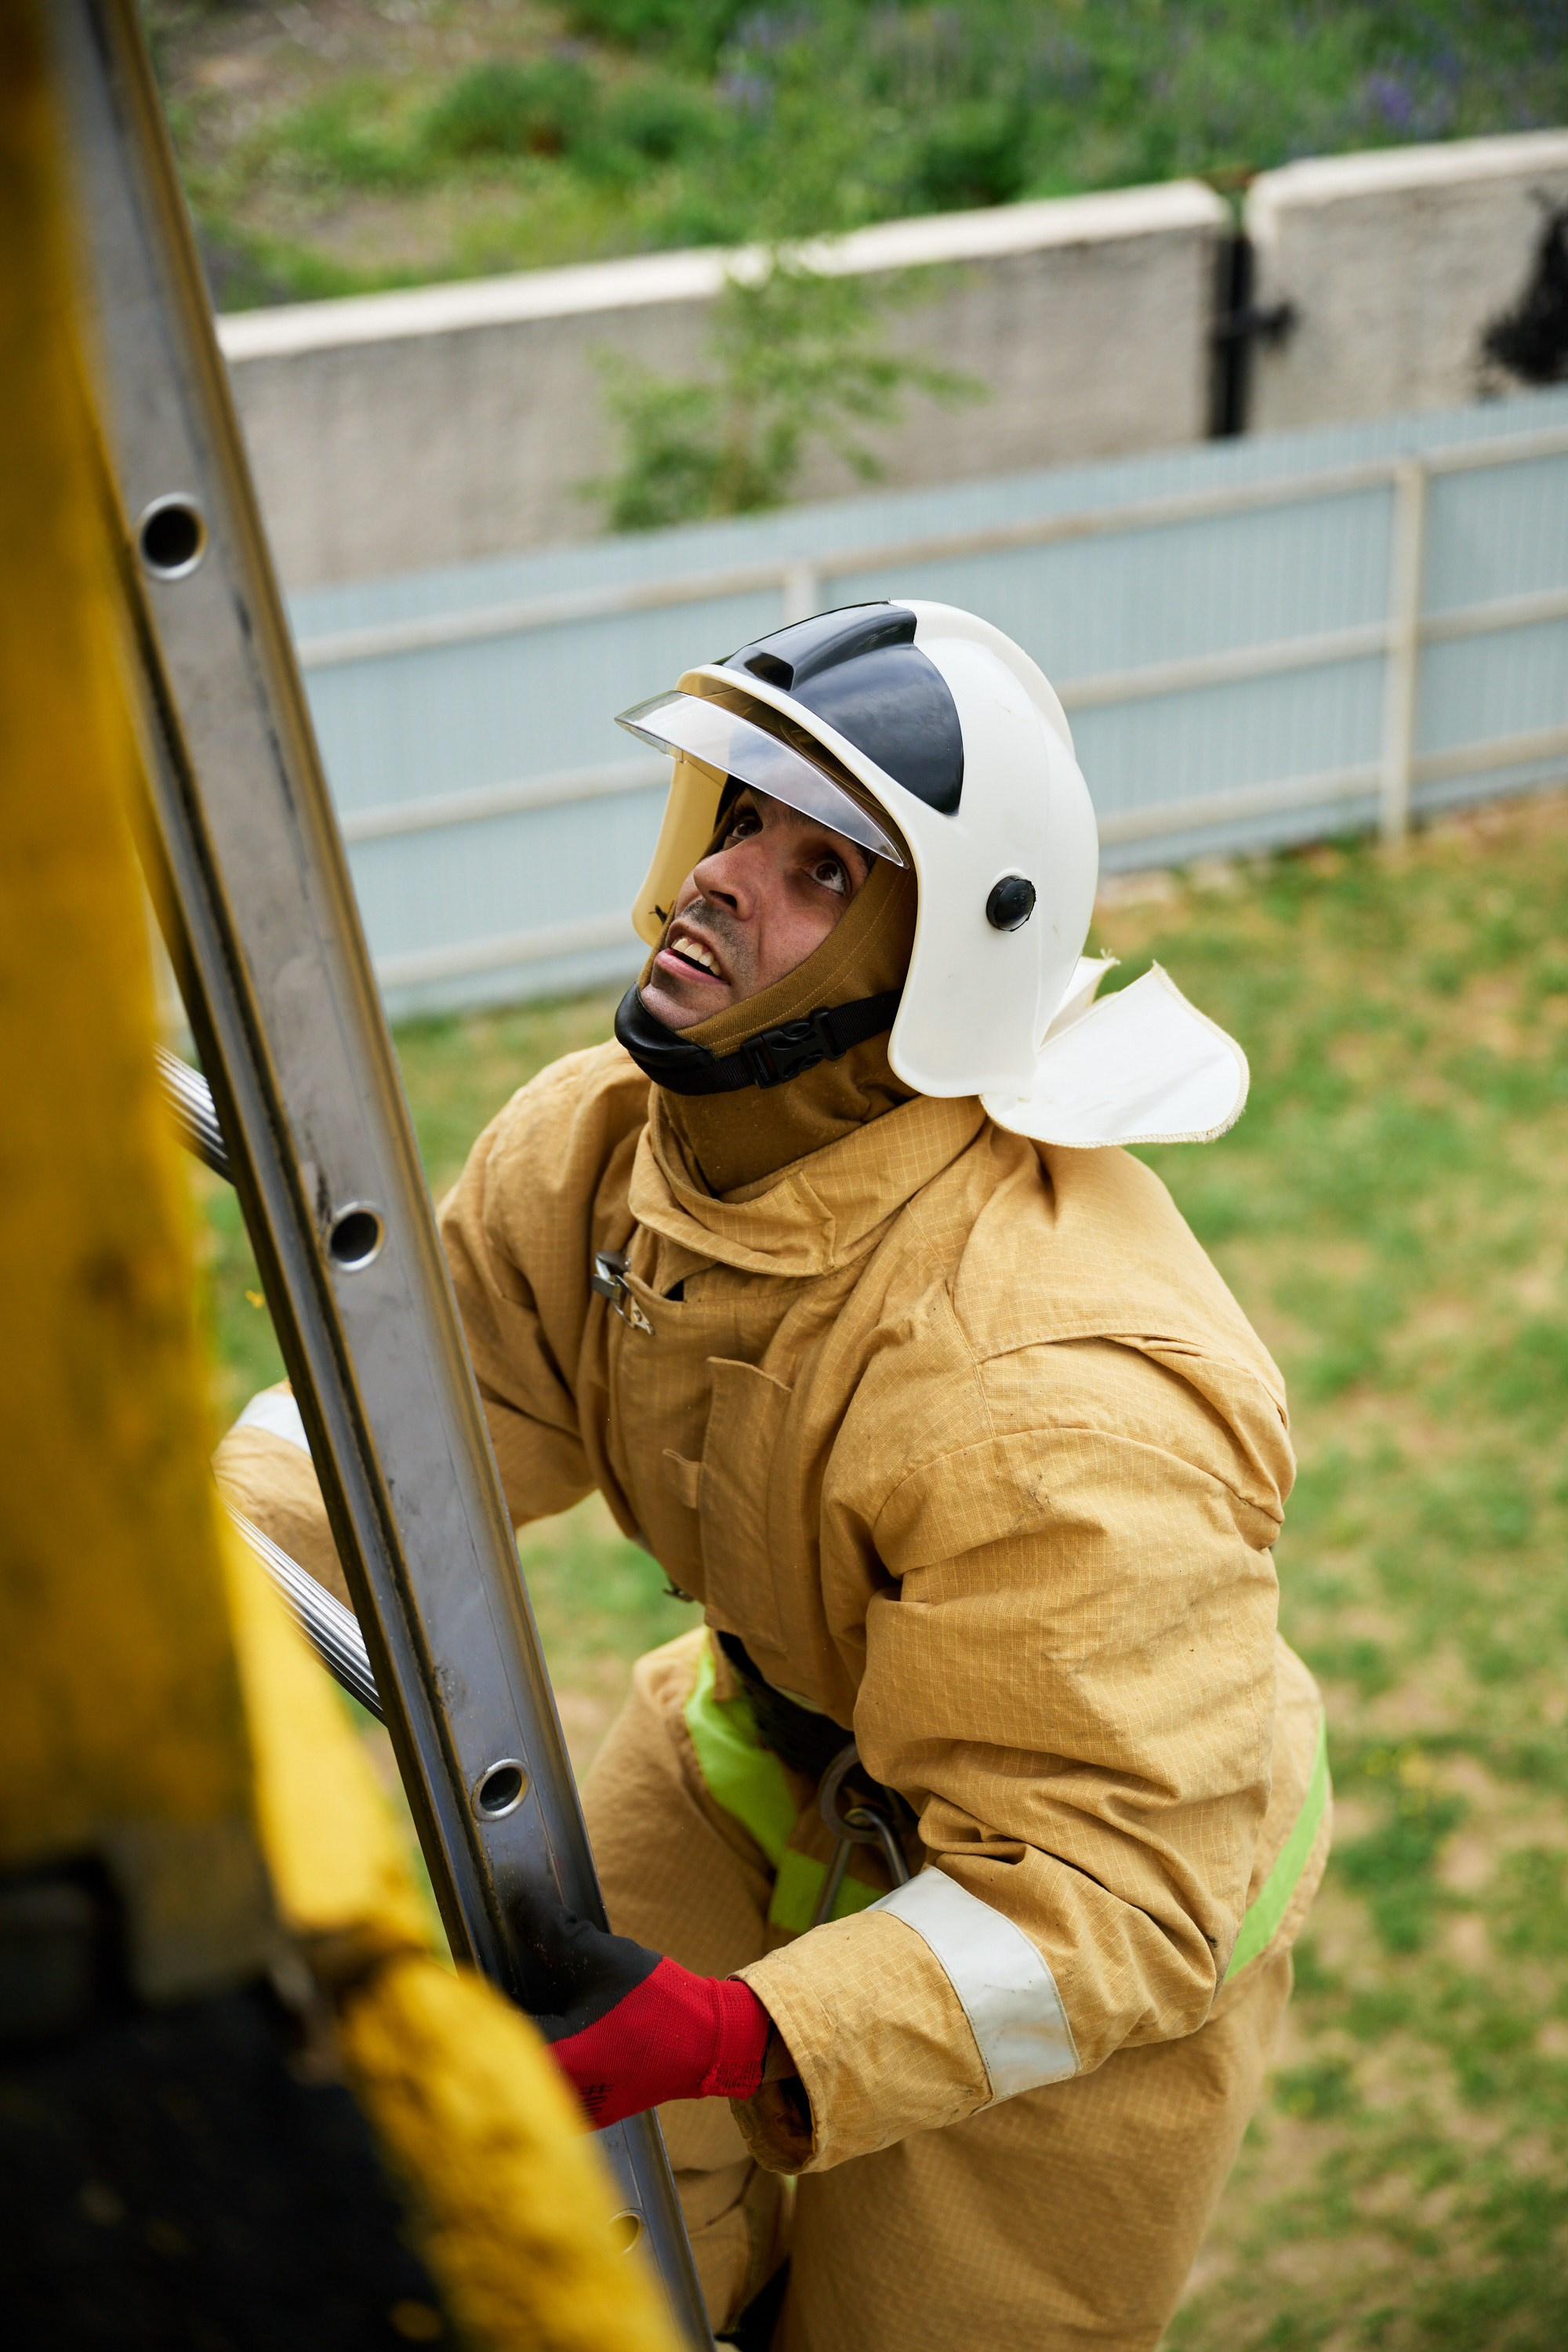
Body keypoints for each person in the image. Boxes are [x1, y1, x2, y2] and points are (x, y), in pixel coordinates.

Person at [220, 601, 1329, 2352]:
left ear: (929, 967)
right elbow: (414, 1425)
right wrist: (188, 1568)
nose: (726, 878)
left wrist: (741, 2041)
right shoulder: (598, 1143)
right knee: (539, 2218)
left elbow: (1107, 1894)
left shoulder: (1056, 1391)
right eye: (736, 821)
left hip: (1074, 1914)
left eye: (822, 870)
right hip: (763, 1746)